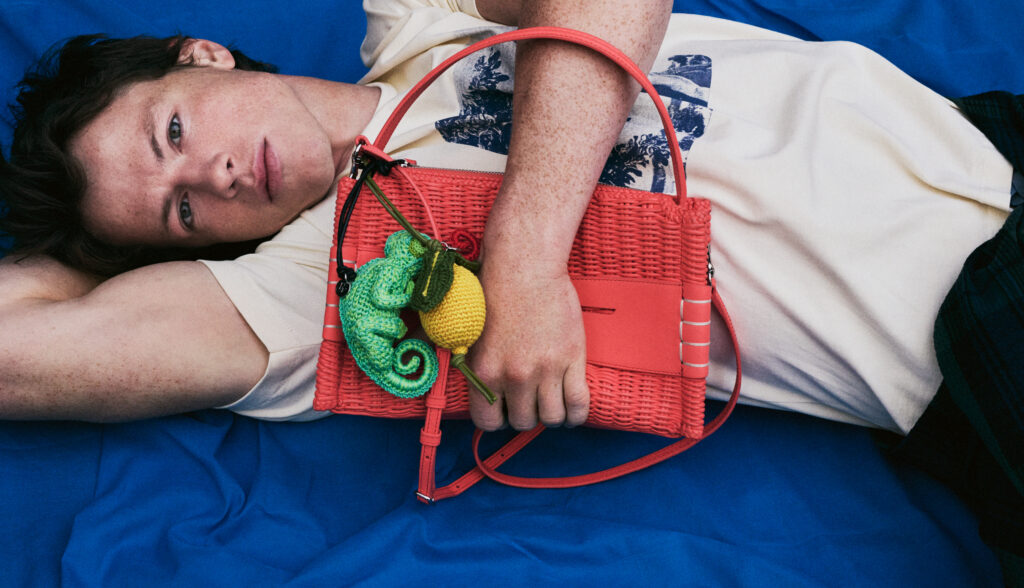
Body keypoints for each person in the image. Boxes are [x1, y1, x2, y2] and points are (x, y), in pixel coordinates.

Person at [0, 0, 1013, 434]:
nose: (213, 177)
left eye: (172, 132)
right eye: (180, 211)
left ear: (203, 52)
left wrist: (523, 263)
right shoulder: (308, 285)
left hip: (987, 141)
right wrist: (79, 253)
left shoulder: (422, 23)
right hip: (983, 322)